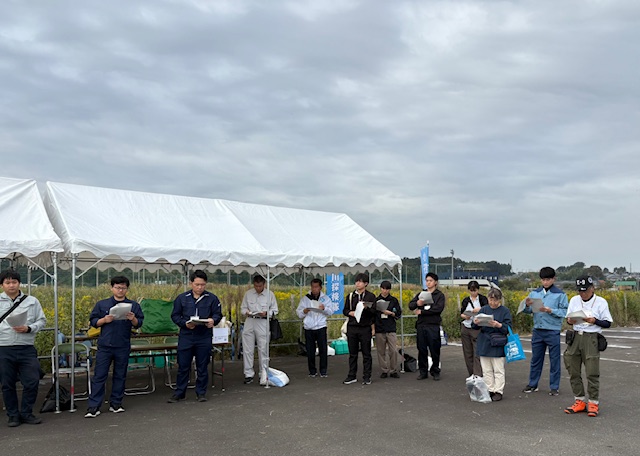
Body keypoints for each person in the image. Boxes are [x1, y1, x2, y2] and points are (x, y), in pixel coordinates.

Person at [85, 276, 144, 418]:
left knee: (120, 375)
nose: (120, 290)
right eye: (117, 287)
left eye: (123, 288)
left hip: (122, 345)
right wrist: (104, 320)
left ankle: (116, 403)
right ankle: (94, 406)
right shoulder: (102, 304)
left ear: (127, 289)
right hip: (105, 345)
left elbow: (139, 323)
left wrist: (133, 319)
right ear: (111, 288)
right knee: (100, 375)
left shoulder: (133, 305)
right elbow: (93, 321)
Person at [0, 269, 46, 427]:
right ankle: (13, 415)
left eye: (14, 282)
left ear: (19, 283)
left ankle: (26, 413)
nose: (11, 285)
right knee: (7, 383)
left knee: (32, 381)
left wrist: (29, 328)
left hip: (26, 347)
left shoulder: (32, 301)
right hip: (4, 347)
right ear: (2, 285)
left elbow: (42, 320)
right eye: (7, 282)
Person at [168, 270, 222, 403]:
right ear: (191, 283)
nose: (200, 287)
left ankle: (201, 392)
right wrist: (185, 324)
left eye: (202, 285)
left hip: (204, 336)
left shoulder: (212, 298)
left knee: (202, 365)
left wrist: (213, 320)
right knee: (183, 365)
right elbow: (175, 315)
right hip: (186, 335)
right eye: (197, 284)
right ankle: (180, 392)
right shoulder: (182, 298)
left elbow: (217, 314)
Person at [564, 276, 613, 417]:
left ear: (592, 288)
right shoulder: (574, 300)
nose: (582, 293)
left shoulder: (601, 302)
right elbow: (568, 319)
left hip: (591, 337)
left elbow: (608, 323)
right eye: (580, 291)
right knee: (573, 369)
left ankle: (593, 402)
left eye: (585, 290)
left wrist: (594, 321)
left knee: (592, 371)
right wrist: (570, 321)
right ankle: (579, 400)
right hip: (575, 336)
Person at [522, 267, 568, 396]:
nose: (545, 282)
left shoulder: (560, 294)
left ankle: (554, 386)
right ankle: (533, 384)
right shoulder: (534, 293)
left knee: (554, 360)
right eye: (543, 280)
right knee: (536, 359)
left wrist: (550, 310)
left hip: (553, 330)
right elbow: (528, 311)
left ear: (554, 279)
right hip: (538, 329)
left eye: (548, 279)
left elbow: (565, 312)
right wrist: (527, 305)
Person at [472, 287, 512, 401]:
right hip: (484, 341)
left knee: (498, 369)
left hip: (498, 341)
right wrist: (476, 322)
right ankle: (489, 389)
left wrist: (498, 325)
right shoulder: (484, 309)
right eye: (490, 300)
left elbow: (508, 328)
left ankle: (498, 391)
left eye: (495, 300)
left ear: (499, 300)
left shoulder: (505, 311)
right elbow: (474, 326)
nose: (492, 302)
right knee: (486, 369)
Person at [241, 274, 278, 385]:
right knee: (247, 349)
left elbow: (275, 310)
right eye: (256, 286)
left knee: (263, 348)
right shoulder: (248, 294)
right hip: (250, 320)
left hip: (263, 322)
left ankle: (263, 373)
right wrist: (247, 312)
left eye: (260, 286)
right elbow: (242, 308)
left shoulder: (270, 294)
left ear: (264, 284)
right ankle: (248, 374)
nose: (258, 288)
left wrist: (267, 313)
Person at [409, 272, 445, 381]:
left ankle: (435, 371)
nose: (428, 283)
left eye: (430, 281)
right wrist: (417, 304)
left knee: (435, 349)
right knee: (422, 349)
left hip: (433, 325)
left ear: (435, 282)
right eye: (427, 280)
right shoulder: (422, 294)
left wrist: (423, 311)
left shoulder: (439, 295)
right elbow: (411, 305)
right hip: (421, 325)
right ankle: (423, 371)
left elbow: (438, 309)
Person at [296, 278, 335, 378]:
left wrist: (324, 308)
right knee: (310, 351)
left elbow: (331, 311)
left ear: (320, 287)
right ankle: (312, 371)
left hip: (321, 326)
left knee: (323, 350)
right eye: (313, 287)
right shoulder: (305, 299)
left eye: (316, 287)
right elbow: (299, 313)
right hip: (309, 327)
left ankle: (323, 371)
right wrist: (304, 311)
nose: (314, 289)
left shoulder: (325, 298)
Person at [342, 272, 377, 385]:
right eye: (356, 281)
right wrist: (350, 313)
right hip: (352, 327)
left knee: (366, 353)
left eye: (360, 281)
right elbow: (345, 310)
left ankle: (367, 376)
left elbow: (374, 311)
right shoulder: (351, 296)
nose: (357, 283)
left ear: (366, 283)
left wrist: (366, 308)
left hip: (365, 327)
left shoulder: (370, 296)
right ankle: (352, 375)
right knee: (353, 354)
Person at [459, 280, 488, 377]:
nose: (473, 292)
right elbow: (461, 313)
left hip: (477, 327)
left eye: (475, 290)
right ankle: (471, 374)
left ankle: (478, 374)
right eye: (471, 290)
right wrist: (466, 316)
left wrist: (479, 310)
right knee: (467, 352)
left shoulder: (483, 299)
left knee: (477, 352)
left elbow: (487, 310)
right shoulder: (466, 300)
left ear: (478, 290)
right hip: (466, 326)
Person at [374, 280, 402, 379]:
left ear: (389, 290)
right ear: (380, 288)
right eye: (383, 288)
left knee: (393, 350)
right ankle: (384, 370)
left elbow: (399, 313)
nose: (385, 291)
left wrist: (391, 313)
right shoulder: (376, 300)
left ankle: (393, 370)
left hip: (390, 328)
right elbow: (372, 315)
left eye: (387, 289)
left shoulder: (394, 300)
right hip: (379, 328)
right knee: (381, 351)